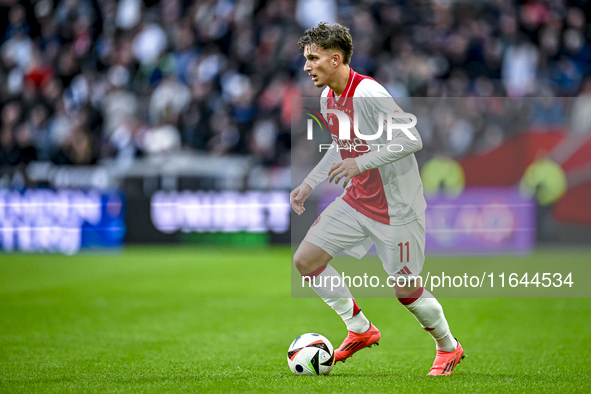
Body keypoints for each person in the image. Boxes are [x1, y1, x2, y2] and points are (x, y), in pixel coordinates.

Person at [291, 22, 464, 376]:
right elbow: (342, 148)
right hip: (357, 201)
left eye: (313, 58)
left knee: (406, 291)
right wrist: (309, 182)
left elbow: (412, 139)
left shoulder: (369, 93)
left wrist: (360, 163)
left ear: (335, 59)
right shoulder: (328, 98)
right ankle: (359, 328)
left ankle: (448, 347)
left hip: (397, 209)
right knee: (306, 260)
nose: (307, 67)